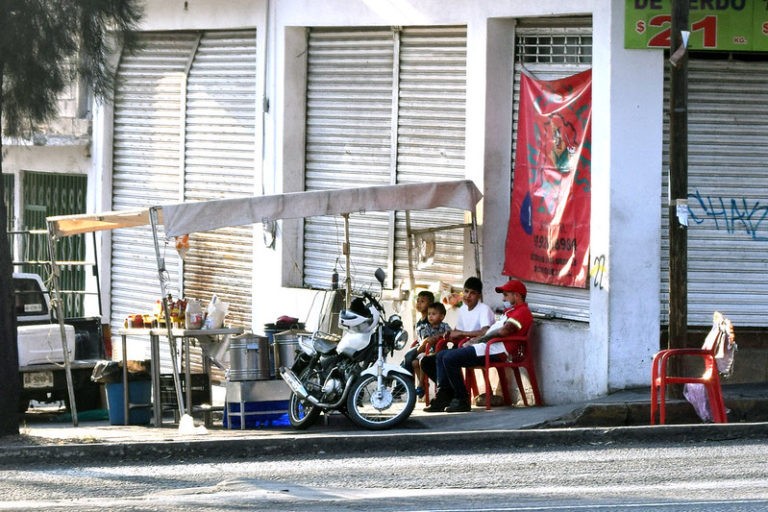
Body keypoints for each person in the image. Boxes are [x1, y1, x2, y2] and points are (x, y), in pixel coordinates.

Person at [424, 279, 533, 413]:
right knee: (441, 355)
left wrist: (480, 339)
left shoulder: (522, 312)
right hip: (487, 348)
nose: (503, 298)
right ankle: (444, 396)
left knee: (449, 358)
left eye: (506, 295)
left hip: (496, 352)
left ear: (516, 295)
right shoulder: (510, 311)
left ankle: (462, 399)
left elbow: (504, 331)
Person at [419, 276, 495, 386]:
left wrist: (462, 333)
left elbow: (485, 332)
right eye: (466, 291)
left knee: (446, 357)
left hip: (478, 350)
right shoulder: (463, 309)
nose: (468, 295)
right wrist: (442, 335)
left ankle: (457, 393)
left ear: (479, 295)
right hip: (462, 346)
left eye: (472, 293)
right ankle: (448, 390)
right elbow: (457, 331)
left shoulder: (484, 309)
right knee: (426, 362)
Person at [410, 302, 451, 398]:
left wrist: (442, 335)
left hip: (440, 352)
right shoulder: (426, 327)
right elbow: (427, 340)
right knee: (415, 362)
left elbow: (450, 333)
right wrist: (431, 339)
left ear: (442, 316)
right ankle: (422, 383)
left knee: (423, 360)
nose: (430, 316)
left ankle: (421, 384)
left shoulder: (444, 326)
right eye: (429, 314)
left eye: (433, 314)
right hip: (427, 351)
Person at [400, 290, 435, 389]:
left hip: (429, 349)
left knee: (408, 357)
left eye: (422, 301)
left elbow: (431, 338)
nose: (419, 303)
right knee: (408, 362)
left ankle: (405, 386)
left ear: (430, 304)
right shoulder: (419, 322)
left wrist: (421, 345)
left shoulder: (431, 320)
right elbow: (419, 339)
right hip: (420, 347)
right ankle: (407, 385)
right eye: (418, 301)